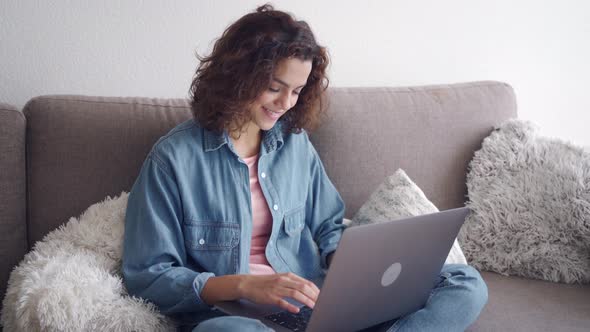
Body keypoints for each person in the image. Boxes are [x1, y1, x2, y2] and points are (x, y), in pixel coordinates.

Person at [122, 4, 488, 332]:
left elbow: (329, 227)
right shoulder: (173, 160)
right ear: (237, 76)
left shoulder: (293, 144)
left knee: (464, 284)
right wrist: (245, 285)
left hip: (315, 306)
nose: (285, 103)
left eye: (296, 91)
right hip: (237, 317)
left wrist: (363, 274)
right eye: (274, 87)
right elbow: (150, 275)